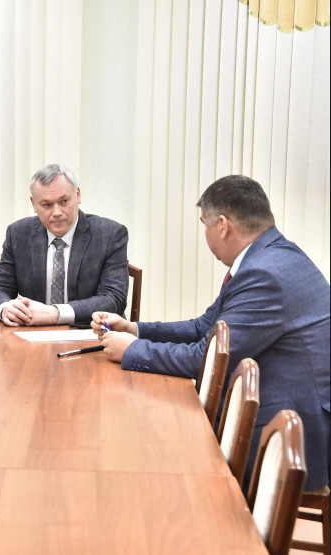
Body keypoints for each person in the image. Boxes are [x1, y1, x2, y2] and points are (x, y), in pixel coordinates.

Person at [92, 175, 330, 492]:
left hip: (289, 435)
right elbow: (205, 327)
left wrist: (133, 350)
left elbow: (207, 360)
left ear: (222, 225)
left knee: (160, 458)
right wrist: (135, 329)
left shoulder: (264, 274)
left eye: (204, 225)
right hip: (282, 410)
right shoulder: (269, 256)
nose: (205, 235)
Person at [0, 163, 129, 326]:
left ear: (77, 195)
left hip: (90, 332)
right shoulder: (18, 234)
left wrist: (55, 313)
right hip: (32, 334)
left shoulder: (109, 235)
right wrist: (4, 308)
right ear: (34, 204)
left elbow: (113, 299)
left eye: (64, 201)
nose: (57, 212)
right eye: (47, 205)